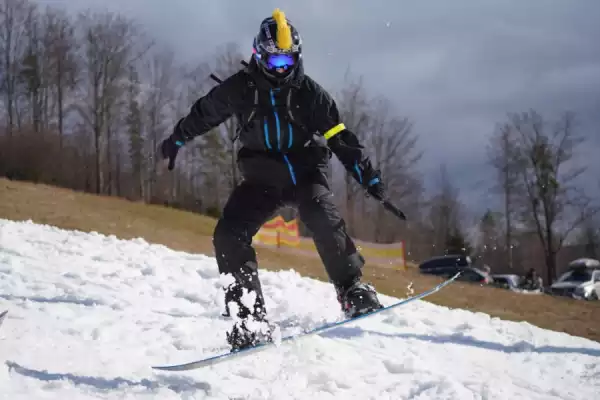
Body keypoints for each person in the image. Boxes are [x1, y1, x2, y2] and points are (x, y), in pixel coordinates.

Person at [159, 8, 385, 352]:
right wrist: (177, 139)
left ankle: (353, 289)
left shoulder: (311, 94)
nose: (283, 70)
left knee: (323, 218)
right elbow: (205, 113)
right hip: (261, 180)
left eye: (289, 61)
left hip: (305, 175)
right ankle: (249, 320)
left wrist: (367, 176)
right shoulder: (240, 89)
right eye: (275, 61)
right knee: (228, 234)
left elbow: (340, 137)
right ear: (258, 55)